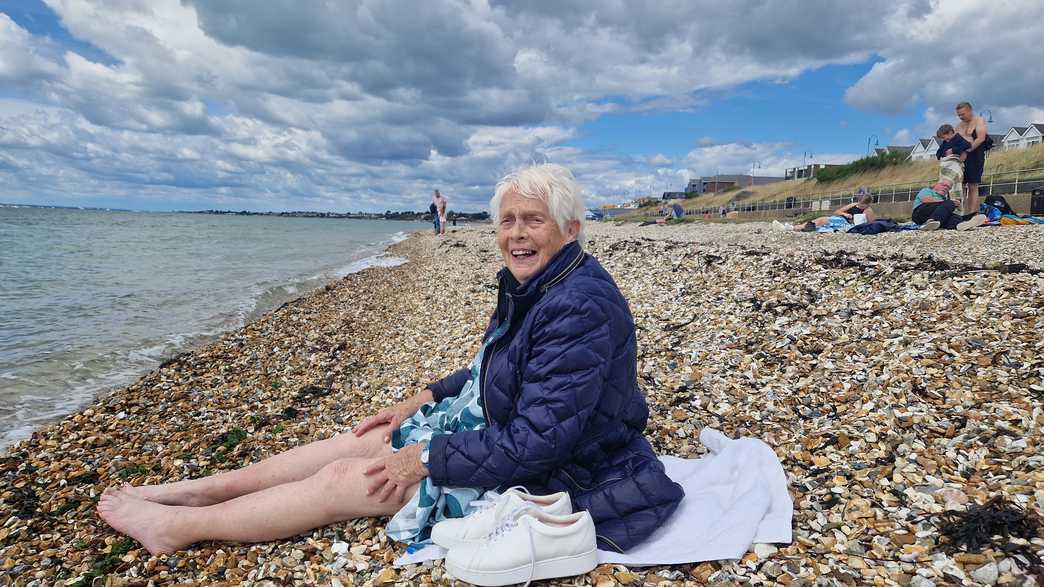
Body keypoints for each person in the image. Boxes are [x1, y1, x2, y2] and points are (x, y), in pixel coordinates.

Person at [97, 164, 684, 556]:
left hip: (564, 467)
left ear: (571, 228)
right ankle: (202, 490)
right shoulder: (540, 282)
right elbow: (499, 367)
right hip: (511, 429)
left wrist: (425, 457)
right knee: (358, 440)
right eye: (507, 220)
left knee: (347, 478)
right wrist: (425, 397)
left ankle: (179, 527)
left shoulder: (579, 306)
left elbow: (540, 442)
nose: (516, 233)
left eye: (533, 220)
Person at [911, 180, 987, 231]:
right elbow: (927, 201)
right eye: (943, 185)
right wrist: (951, 203)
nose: (945, 188)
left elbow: (944, 208)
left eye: (948, 188)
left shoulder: (944, 200)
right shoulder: (927, 190)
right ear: (936, 185)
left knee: (954, 217)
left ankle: (961, 224)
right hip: (920, 212)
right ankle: (931, 221)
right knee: (949, 204)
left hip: (936, 217)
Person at [774, 194, 876, 232]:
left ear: (867, 204)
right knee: (820, 220)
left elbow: (872, 224)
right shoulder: (854, 205)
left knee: (821, 220)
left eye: (862, 205)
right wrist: (845, 214)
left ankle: (791, 228)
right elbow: (837, 211)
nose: (860, 206)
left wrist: (856, 221)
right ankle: (793, 227)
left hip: (848, 224)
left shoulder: (868, 210)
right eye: (860, 203)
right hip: (842, 219)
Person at [955, 101, 988, 214]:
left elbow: (981, 138)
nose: (961, 117)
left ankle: (972, 212)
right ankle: (961, 212)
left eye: (963, 114)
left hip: (975, 155)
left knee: (973, 185)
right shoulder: (959, 126)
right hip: (961, 158)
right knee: (961, 185)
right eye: (959, 115)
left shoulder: (979, 120)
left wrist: (968, 150)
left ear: (969, 111)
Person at [935, 124, 972, 207]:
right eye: (943, 138)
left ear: (950, 132)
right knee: (945, 187)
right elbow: (938, 154)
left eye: (945, 137)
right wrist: (945, 154)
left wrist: (953, 150)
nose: (945, 140)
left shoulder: (958, 139)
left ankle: (958, 206)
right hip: (946, 166)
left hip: (954, 166)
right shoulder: (945, 143)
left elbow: (967, 145)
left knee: (955, 187)